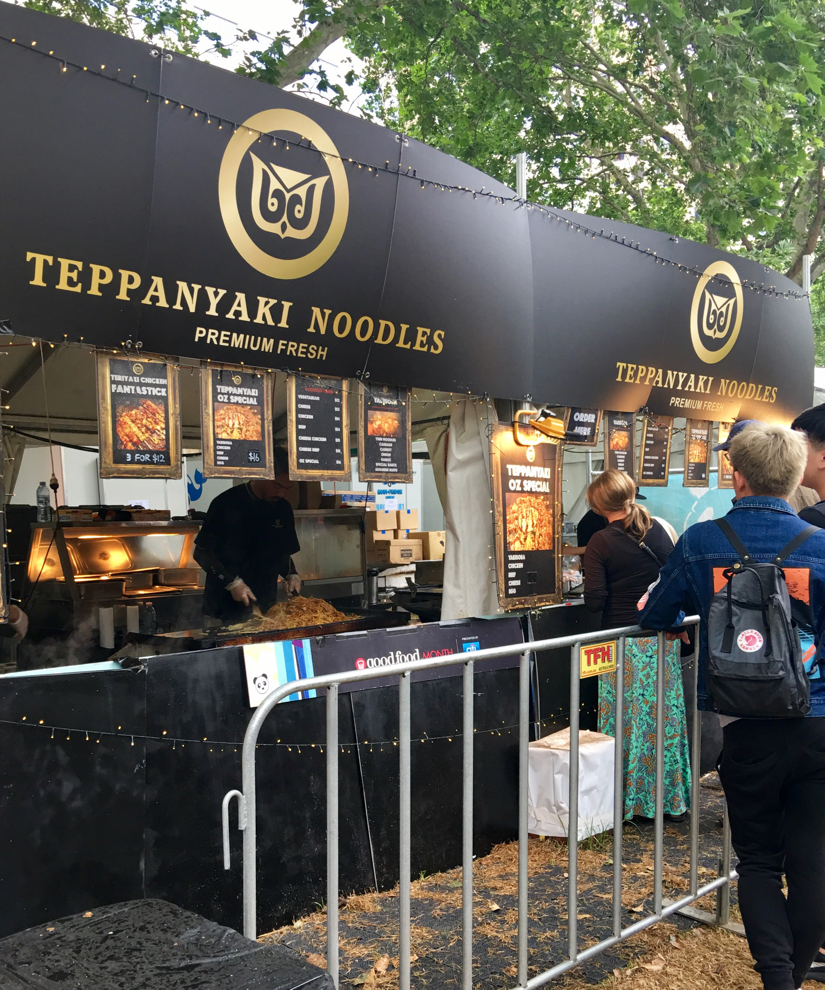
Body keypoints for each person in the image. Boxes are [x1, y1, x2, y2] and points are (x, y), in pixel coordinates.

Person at [638, 422, 825, 990]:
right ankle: (790, 975)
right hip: (817, 718)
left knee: (759, 860)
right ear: (796, 477)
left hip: (743, 721)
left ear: (737, 476)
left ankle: (778, 980)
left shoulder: (702, 541)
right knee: (814, 861)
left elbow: (656, 615)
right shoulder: (820, 545)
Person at [581, 469, 691, 820]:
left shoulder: (600, 541)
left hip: (621, 644)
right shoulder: (658, 529)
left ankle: (627, 802)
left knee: (623, 723)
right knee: (663, 721)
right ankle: (668, 799)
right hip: (660, 638)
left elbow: (594, 600)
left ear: (598, 506)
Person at [193, 447, 301, 623]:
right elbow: (201, 553)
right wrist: (232, 582)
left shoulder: (283, 508)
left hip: (266, 609)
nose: (281, 493)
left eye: (287, 488)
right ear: (262, 475)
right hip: (222, 610)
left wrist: (291, 574)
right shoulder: (226, 503)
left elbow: (281, 551)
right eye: (277, 486)